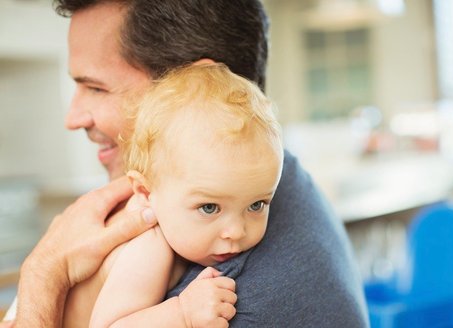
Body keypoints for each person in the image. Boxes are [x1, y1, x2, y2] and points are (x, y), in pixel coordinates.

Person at [4, 0, 368, 327]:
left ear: (190, 84)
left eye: (97, 88)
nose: (73, 117)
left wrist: (44, 273)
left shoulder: (236, 296)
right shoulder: (277, 179)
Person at [61, 63, 283, 327]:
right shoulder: (149, 248)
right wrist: (181, 313)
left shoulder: (181, 221)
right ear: (145, 192)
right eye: (209, 208)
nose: (235, 231)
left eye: (257, 204)